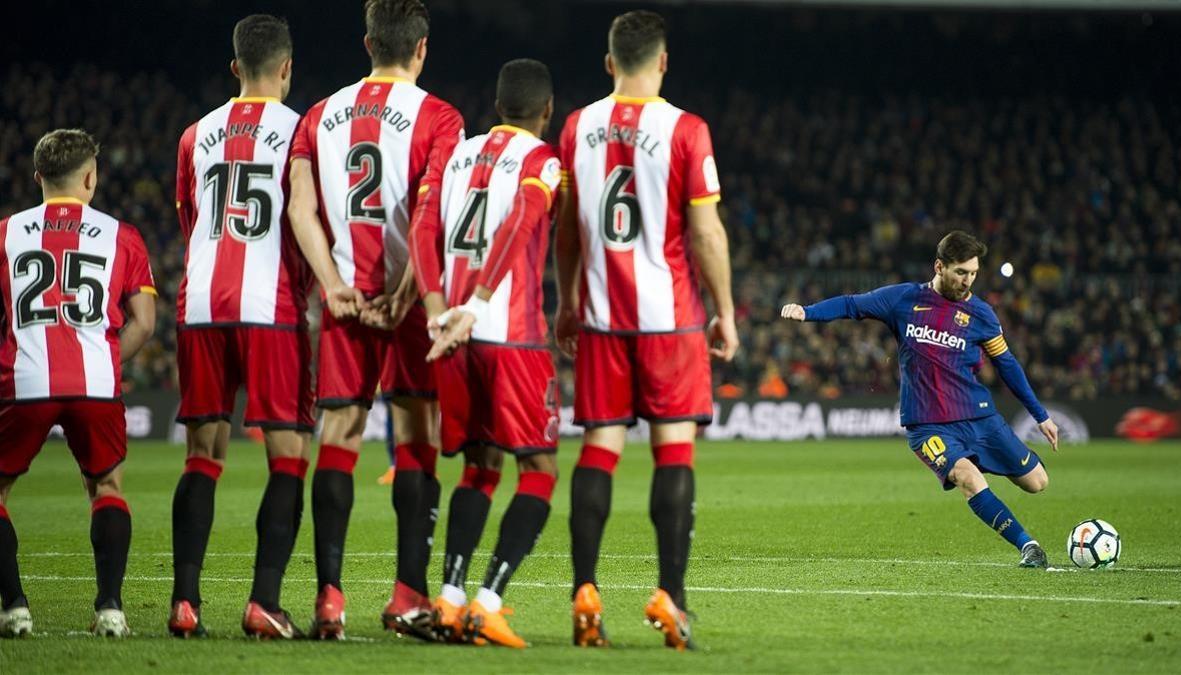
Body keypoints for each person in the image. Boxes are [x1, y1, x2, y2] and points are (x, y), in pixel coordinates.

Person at [555, 10, 738, 651]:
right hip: (669, 321)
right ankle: (672, 596)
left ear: (609, 63)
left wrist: (568, 300)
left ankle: (584, 591)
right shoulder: (687, 129)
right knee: (673, 451)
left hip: (603, 318)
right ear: (662, 62)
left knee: (599, 448)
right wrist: (727, 310)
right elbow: (706, 233)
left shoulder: (576, 127)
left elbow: (568, 229)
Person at [287, 0, 463, 640]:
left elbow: (301, 209)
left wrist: (332, 285)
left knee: (339, 434)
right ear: (421, 49)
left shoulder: (319, 114)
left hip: (344, 301)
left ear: (367, 43)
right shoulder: (439, 117)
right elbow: (430, 213)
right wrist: (407, 291)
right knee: (418, 434)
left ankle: (329, 601)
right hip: (408, 303)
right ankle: (408, 597)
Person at [780, 230, 1058, 567]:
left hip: (979, 417)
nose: (967, 281)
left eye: (973, 273)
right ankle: (1029, 547)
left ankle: (985, 459)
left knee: (1037, 483)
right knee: (967, 478)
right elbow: (852, 305)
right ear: (939, 266)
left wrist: (1040, 415)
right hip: (927, 425)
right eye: (960, 272)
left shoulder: (982, 315)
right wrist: (807, 312)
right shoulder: (904, 299)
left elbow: (1007, 365)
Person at [170, 14, 313, 639]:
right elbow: (310, 222)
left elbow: (189, 217)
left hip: (201, 303)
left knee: (203, 456)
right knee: (287, 457)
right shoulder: (302, 131)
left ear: (235, 68)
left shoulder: (194, 134)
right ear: (286, 67)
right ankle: (264, 602)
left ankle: (184, 603)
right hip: (270, 305)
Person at [410, 58, 561, 649]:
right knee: (540, 471)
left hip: (450, 332)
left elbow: (423, 223)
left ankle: (448, 599)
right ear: (546, 111)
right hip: (509, 331)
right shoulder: (543, 160)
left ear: (498, 105)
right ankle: (488, 603)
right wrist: (477, 302)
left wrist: (435, 310)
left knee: (478, 467)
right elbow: (522, 220)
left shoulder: (455, 153)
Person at [0, 129, 157, 638]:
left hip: (23, 379)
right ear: (91, 177)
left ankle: (14, 608)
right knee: (106, 486)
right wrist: (107, 360)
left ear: (37, 177)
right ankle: (110, 609)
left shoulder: (4, 233)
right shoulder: (121, 234)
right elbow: (145, 322)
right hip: (94, 382)